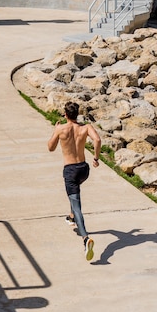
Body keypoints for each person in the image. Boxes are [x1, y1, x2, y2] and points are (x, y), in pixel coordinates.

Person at [47, 101, 102, 261]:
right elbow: (97, 140)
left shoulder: (60, 128)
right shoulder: (86, 128)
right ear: (77, 114)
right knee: (75, 194)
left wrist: (55, 130)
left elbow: (50, 148)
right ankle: (70, 217)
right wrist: (96, 158)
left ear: (65, 114)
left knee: (77, 204)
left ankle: (85, 239)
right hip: (84, 169)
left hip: (70, 171)